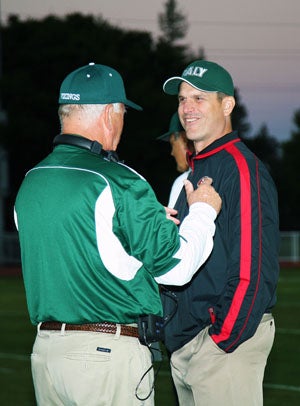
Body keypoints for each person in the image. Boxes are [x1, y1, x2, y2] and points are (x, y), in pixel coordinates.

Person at [14, 62, 222, 406]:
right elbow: (178, 267)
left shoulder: (32, 180)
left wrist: (145, 227)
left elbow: (85, 247)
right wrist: (203, 211)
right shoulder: (119, 179)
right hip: (104, 355)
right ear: (111, 113)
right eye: (123, 112)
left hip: (46, 355)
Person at [161, 60, 280, 406]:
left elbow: (253, 270)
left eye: (199, 98)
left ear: (226, 105)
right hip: (189, 343)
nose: (187, 108)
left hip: (221, 346)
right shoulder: (199, 168)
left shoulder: (239, 168)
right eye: (183, 99)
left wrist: (221, 339)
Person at [157, 111, 194, 208]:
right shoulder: (221, 169)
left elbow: (173, 223)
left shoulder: (183, 182)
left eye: (173, 144)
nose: (172, 153)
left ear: (185, 140)